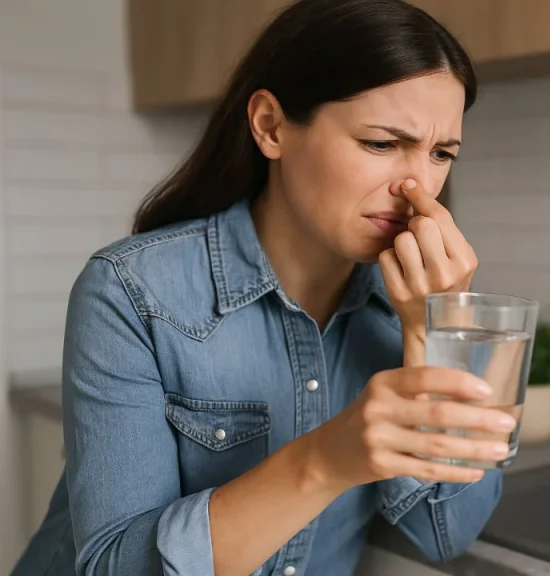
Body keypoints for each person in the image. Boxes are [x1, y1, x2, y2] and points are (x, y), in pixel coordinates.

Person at [11, 0, 513, 574]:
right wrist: (325, 460)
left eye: (441, 153)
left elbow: (443, 533)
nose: (418, 186)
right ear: (271, 127)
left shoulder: (407, 305)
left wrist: (435, 329)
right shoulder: (131, 292)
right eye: (380, 143)